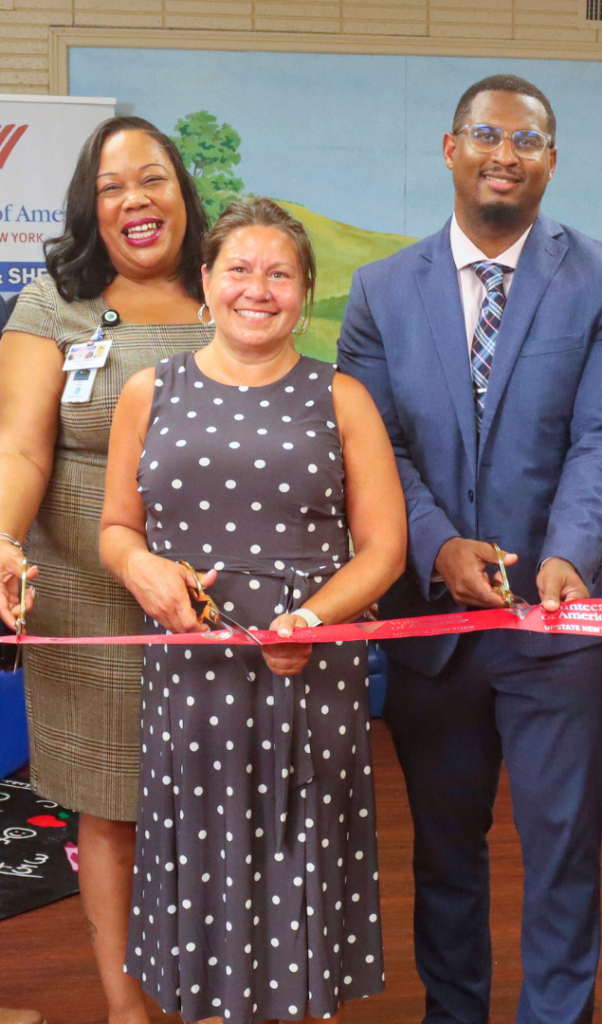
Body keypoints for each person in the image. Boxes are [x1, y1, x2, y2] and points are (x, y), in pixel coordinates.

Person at [337, 74, 602, 1024]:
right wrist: (433, 548)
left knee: (562, 847)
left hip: (564, 618)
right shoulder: (381, 291)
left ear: (551, 161)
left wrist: (568, 551)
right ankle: (455, 1011)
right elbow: (377, 444)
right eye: (486, 135)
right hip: (430, 624)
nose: (504, 153)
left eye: (527, 140)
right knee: (442, 849)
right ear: (450, 149)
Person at [99, 197, 406, 1024]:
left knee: (291, 857)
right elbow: (117, 527)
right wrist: (141, 570)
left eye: (279, 274)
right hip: (190, 678)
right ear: (206, 280)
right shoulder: (146, 391)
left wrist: (310, 619)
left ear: (306, 293)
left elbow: (384, 551)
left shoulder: (343, 398)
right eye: (238, 268)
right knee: (203, 860)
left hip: (306, 674)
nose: (256, 289)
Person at [0, 116, 211, 1024]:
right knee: (109, 810)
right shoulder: (56, 305)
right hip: (90, 604)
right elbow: (19, 448)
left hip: (214, 600)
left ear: (183, 193)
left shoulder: (225, 288)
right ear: (92, 206)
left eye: (153, 178)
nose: (135, 199)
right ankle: (128, 1010)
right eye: (112, 186)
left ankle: (214, 994)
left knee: (213, 810)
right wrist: (2, 541)